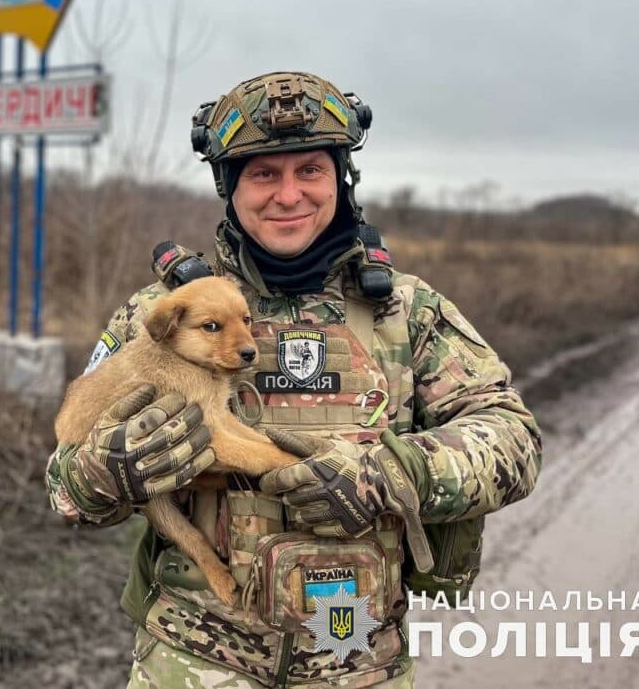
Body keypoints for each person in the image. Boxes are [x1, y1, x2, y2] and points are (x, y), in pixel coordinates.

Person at [45, 71, 542, 688]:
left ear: (341, 179)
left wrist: (392, 473)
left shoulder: (407, 312)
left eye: (310, 170)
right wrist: (106, 470)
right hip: (196, 663)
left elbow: (514, 441)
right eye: (263, 174)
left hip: (358, 662)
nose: (288, 195)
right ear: (229, 189)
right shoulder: (161, 316)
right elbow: (64, 484)